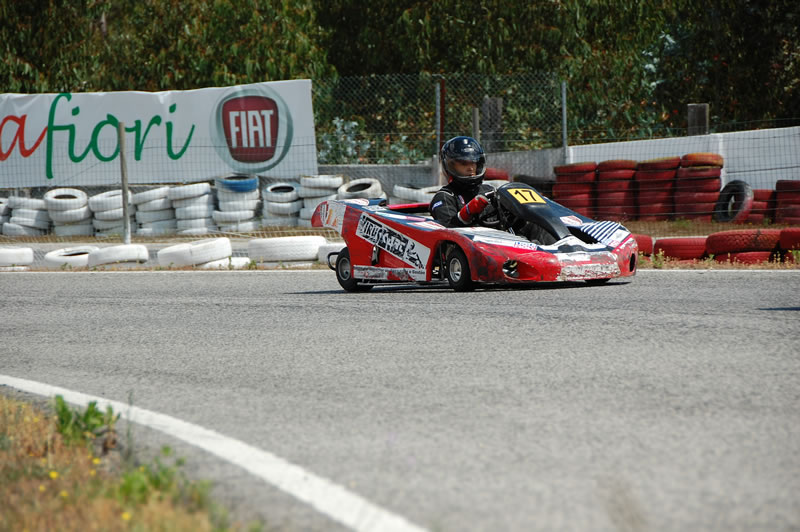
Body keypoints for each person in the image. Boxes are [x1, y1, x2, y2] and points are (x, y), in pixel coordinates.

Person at [429, 136, 496, 227]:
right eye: (464, 163)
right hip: (471, 240)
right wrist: (467, 212)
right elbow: (448, 230)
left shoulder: (489, 190)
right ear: (451, 166)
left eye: (473, 162)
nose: (471, 168)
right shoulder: (444, 197)